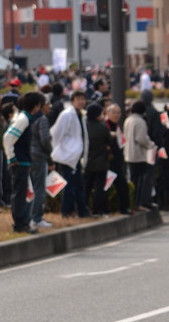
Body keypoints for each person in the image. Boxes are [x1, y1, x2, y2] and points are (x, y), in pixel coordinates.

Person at [3, 91, 45, 234]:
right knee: (20, 194)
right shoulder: (23, 119)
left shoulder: (24, 117)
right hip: (19, 162)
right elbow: (8, 137)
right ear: (36, 105)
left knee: (23, 194)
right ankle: (20, 224)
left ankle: (24, 222)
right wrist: (12, 157)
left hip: (23, 161)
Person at [50, 89, 91, 219]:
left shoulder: (80, 115)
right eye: (78, 99)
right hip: (67, 155)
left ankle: (80, 211)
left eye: (83, 99)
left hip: (75, 155)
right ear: (72, 100)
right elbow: (56, 134)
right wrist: (61, 150)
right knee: (70, 185)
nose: (81, 102)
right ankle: (67, 211)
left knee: (77, 184)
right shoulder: (67, 114)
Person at [123, 99, 157, 211]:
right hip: (138, 155)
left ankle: (132, 203)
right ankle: (138, 203)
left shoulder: (128, 120)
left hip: (128, 153)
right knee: (140, 180)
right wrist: (151, 144)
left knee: (132, 180)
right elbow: (141, 138)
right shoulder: (140, 121)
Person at [29, 96, 54, 228]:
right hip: (39, 155)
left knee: (31, 187)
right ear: (40, 105)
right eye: (47, 104)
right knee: (39, 188)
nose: (49, 106)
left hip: (29, 155)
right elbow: (45, 140)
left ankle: (30, 216)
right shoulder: (42, 119)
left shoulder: (29, 118)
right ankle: (37, 218)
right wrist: (51, 153)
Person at [83, 102, 112, 216]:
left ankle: (84, 209)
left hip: (87, 162)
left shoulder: (84, 126)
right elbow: (109, 142)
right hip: (101, 162)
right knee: (99, 188)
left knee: (86, 187)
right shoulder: (103, 127)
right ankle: (97, 210)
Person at [103, 103, 132, 215]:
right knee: (105, 187)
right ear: (107, 112)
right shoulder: (105, 126)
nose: (116, 115)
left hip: (117, 162)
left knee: (123, 186)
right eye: (113, 112)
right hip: (107, 162)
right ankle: (104, 210)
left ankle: (124, 208)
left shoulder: (117, 126)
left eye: (118, 113)